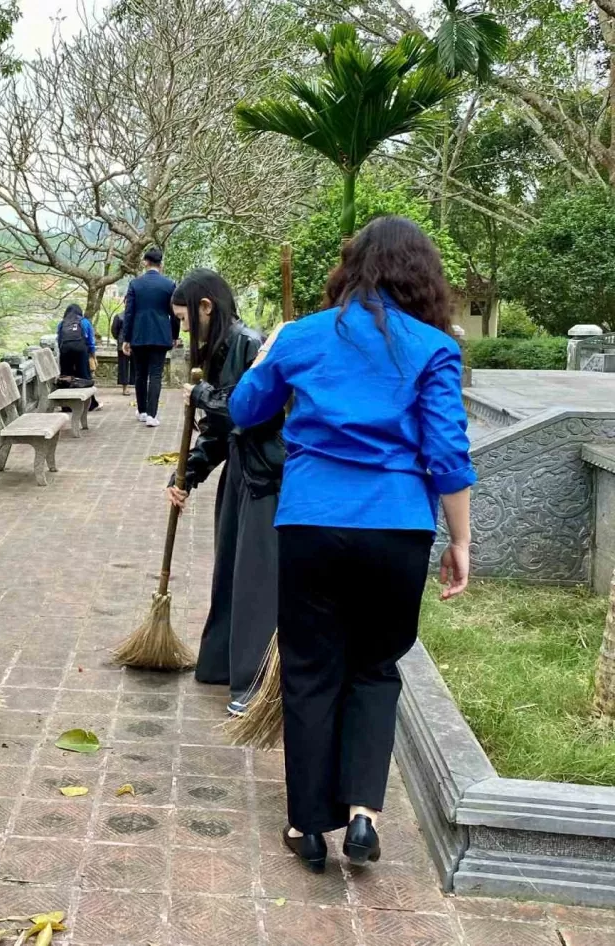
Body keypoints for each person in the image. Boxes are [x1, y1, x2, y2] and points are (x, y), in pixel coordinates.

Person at [229, 216, 475, 873]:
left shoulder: (304, 336)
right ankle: (364, 812)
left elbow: (247, 409)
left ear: (350, 267)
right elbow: (447, 453)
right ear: (420, 276)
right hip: (397, 527)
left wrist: (267, 353)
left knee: (310, 672)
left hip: (311, 523)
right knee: (375, 667)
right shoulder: (433, 347)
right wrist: (461, 541)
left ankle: (308, 828)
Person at [165, 270, 284, 717]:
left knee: (257, 578)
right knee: (230, 569)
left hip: (267, 475)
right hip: (240, 470)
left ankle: (258, 683)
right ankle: (223, 664)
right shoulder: (218, 351)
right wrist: (185, 477)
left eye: (184, 318)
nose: (182, 330)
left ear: (206, 307)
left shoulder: (250, 345)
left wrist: (203, 395)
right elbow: (218, 433)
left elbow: (254, 413)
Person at [120, 246, 178, 426]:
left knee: (140, 374)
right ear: (161, 263)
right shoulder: (169, 285)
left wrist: (126, 338)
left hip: (138, 335)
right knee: (155, 375)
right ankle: (152, 415)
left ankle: (142, 411)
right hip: (161, 335)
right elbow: (174, 313)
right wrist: (174, 335)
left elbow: (128, 313)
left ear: (145, 262)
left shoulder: (135, 284)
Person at [55, 303, 101, 411]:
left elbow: (59, 339)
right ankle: (90, 404)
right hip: (81, 350)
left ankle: (66, 406)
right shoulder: (84, 322)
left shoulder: (62, 323)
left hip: (65, 350)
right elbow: (90, 341)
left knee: (66, 376)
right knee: (84, 376)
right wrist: (92, 355)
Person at [110, 311, 130, 394]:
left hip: (136, 343)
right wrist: (120, 339)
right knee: (123, 366)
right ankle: (125, 388)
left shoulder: (138, 314)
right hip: (122, 344)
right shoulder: (119, 316)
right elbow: (114, 330)